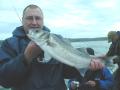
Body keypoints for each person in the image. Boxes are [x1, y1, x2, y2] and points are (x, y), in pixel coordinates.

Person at [0, 4, 103, 90]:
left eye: (38, 18)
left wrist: (88, 66)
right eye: (29, 18)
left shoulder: (59, 39)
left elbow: (68, 72)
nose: (34, 22)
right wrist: (25, 58)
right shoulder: (8, 44)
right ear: (22, 20)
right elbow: (4, 81)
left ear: (43, 20)